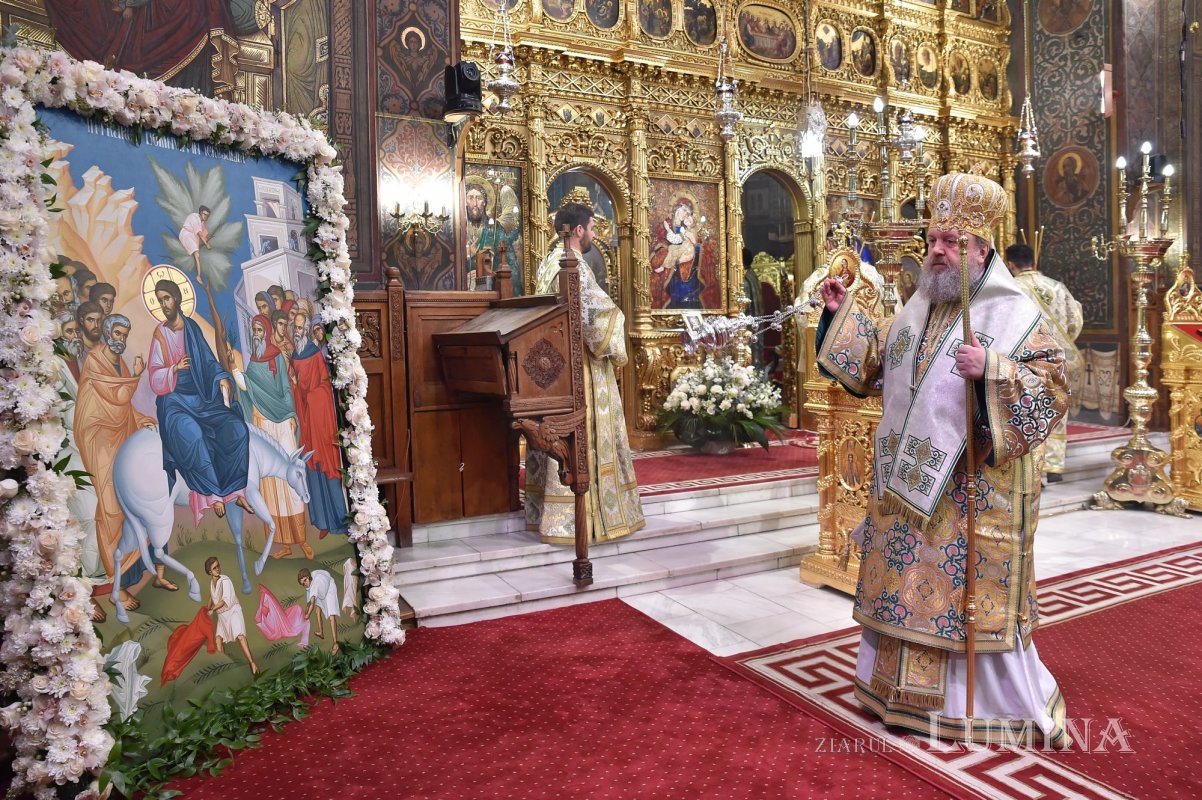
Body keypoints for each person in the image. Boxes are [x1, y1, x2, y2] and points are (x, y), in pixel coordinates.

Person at [816, 173, 1071, 746]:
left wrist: (997, 373)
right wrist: (841, 317)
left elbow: (1054, 388)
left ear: (982, 250)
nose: (936, 250)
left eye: (953, 242)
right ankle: (893, 690)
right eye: (934, 238)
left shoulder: (1014, 314)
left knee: (956, 596)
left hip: (971, 493)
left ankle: (970, 701)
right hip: (904, 490)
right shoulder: (917, 308)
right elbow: (878, 362)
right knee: (902, 583)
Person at [527, 202, 645, 544]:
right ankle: (592, 518)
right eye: (591, 227)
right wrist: (619, 326)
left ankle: (552, 517)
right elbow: (596, 320)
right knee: (586, 438)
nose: (594, 234)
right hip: (582, 369)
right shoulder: (573, 264)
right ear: (578, 230)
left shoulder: (548, 261)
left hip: (554, 367)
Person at [147, 278, 253, 522]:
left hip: (201, 395)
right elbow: (154, 373)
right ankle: (212, 494)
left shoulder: (191, 327)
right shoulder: (160, 334)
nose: (164, 303)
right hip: (174, 401)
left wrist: (220, 377)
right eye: (159, 299)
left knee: (237, 429)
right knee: (192, 435)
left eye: (167, 298)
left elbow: (207, 359)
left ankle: (236, 490)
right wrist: (173, 368)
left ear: (177, 299)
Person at [75, 314, 157, 607]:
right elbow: (115, 399)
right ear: (108, 333)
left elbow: (125, 407)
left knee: (132, 505)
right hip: (100, 442)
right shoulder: (95, 362)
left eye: (125, 334)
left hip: (118, 440)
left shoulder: (118, 364)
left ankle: (125, 578)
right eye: (118, 333)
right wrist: (136, 376)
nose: (121, 338)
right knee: (111, 511)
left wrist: (143, 419)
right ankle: (115, 587)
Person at [233, 315, 311, 559]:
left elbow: (286, 389)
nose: (256, 334)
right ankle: (283, 544)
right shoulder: (253, 364)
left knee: (289, 485)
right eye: (253, 330)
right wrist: (236, 374)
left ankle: (301, 540)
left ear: (266, 331)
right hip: (263, 425)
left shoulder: (276, 357)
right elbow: (247, 391)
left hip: (282, 424)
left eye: (259, 329)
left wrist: (290, 414)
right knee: (270, 489)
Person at [1005, 243, 1084, 482]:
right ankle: (1054, 465)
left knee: (1030, 410)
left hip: (1025, 361)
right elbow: (1075, 319)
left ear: (1010, 265)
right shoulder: (1058, 287)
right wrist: (1060, 342)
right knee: (1057, 406)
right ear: (1034, 262)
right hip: (1057, 359)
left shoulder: (1012, 288)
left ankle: (1034, 470)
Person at [290, 308, 349, 540]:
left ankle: (338, 520)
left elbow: (323, 387)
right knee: (313, 472)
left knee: (327, 466)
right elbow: (297, 389)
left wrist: (307, 393)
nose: (298, 331)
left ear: (307, 330)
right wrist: (297, 387)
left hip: (319, 419)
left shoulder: (314, 354)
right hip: (306, 421)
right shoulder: (295, 356)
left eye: (301, 327)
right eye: (295, 327)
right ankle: (322, 521)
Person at [205, 557, 258, 675]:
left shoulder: (225, 580)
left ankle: (252, 663)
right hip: (222, 615)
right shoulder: (212, 583)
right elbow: (211, 596)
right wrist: (207, 608)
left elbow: (224, 601)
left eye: (218, 566)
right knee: (218, 639)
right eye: (215, 568)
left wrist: (212, 610)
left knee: (240, 636)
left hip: (233, 611)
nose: (218, 569)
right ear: (210, 572)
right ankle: (225, 668)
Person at [298, 567, 340, 655]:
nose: (305, 584)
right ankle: (321, 632)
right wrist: (306, 611)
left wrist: (307, 615)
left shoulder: (314, 585)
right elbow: (309, 602)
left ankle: (336, 643)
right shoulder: (310, 584)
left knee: (331, 616)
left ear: (308, 577)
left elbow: (312, 602)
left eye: (305, 580)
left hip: (329, 588)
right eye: (303, 583)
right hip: (322, 590)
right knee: (318, 611)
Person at [179, 206, 212, 281]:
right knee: (197, 254)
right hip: (186, 235)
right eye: (205, 214)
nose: (206, 217)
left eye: (208, 215)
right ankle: (198, 276)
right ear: (200, 213)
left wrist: (208, 237)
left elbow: (205, 233)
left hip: (193, 237)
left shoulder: (202, 222)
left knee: (197, 253)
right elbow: (200, 234)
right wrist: (207, 244)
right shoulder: (194, 218)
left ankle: (198, 275)